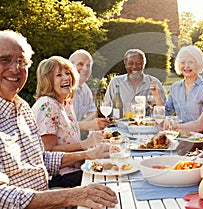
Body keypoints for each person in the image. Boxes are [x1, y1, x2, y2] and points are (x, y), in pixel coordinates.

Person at [0, 30, 117, 208]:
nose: (15, 68)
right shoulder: (46, 104)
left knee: (116, 190)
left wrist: (89, 154)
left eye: (21, 61)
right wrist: (69, 196)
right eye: (5, 60)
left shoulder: (22, 109)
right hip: (48, 197)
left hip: (48, 197)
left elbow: (41, 159)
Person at [31, 56, 108, 188]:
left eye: (67, 73)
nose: (66, 78)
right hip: (58, 176)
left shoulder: (64, 103)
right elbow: (47, 152)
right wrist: (85, 144)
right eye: (59, 75)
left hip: (74, 168)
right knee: (107, 179)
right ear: (48, 81)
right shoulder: (48, 105)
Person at [154, 45, 203, 123]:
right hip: (179, 133)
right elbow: (166, 113)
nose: (186, 66)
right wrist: (157, 96)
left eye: (191, 62)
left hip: (199, 134)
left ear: (198, 64)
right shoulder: (175, 87)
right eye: (183, 62)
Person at [104, 48, 166, 116]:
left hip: (146, 126)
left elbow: (164, 112)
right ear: (125, 64)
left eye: (138, 63)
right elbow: (107, 106)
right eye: (130, 63)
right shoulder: (116, 82)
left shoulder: (154, 83)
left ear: (144, 64)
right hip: (120, 125)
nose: (134, 66)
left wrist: (157, 98)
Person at [69, 49, 109, 140]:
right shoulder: (64, 89)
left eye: (88, 65)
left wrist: (84, 124)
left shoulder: (85, 89)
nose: (85, 69)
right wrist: (85, 125)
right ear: (70, 66)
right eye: (80, 64)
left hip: (77, 140)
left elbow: (93, 112)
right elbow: (60, 125)